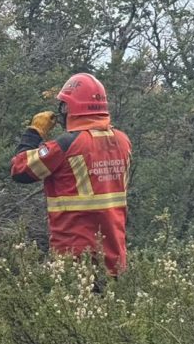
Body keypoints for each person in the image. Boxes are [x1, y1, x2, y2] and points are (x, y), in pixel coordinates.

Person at [10, 73, 132, 275]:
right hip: (115, 259)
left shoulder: (67, 145)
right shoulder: (123, 142)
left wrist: (34, 133)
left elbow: (20, 170)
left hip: (73, 259)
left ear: (72, 107)